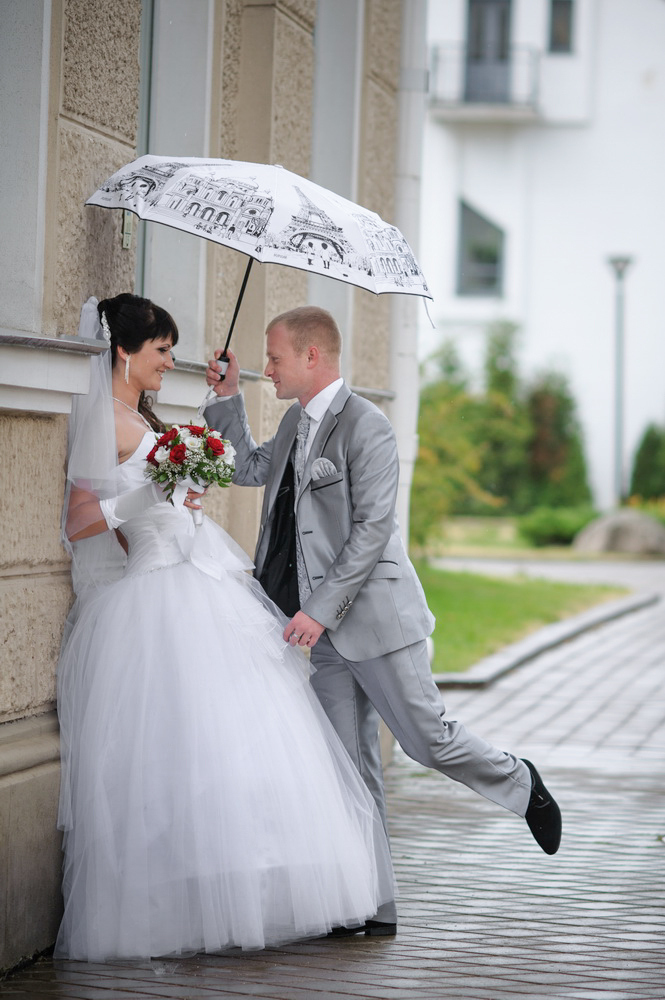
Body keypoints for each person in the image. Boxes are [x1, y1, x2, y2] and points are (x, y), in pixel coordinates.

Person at [55, 294, 393, 962]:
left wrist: (180, 483)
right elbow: (81, 521)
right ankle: (175, 900)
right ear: (123, 351)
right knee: (175, 749)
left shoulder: (141, 416)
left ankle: (249, 881)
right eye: (160, 350)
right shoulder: (101, 414)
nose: (168, 362)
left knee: (237, 739)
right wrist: (157, 489)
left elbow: (206, 478)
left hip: (201, 577)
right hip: (158, 593)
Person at [204, 305, 562, 937]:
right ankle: (367, 903)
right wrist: (228, 399)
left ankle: (519, 780)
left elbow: (372, 533)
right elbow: (249, 469)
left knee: (428, 741)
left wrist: (317, 610)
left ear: (313, 356)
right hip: (326, 636)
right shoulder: (292, 421)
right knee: (346, 768)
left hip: (375, 621)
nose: (269, 367)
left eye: (276, 356)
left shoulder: (367, 427)